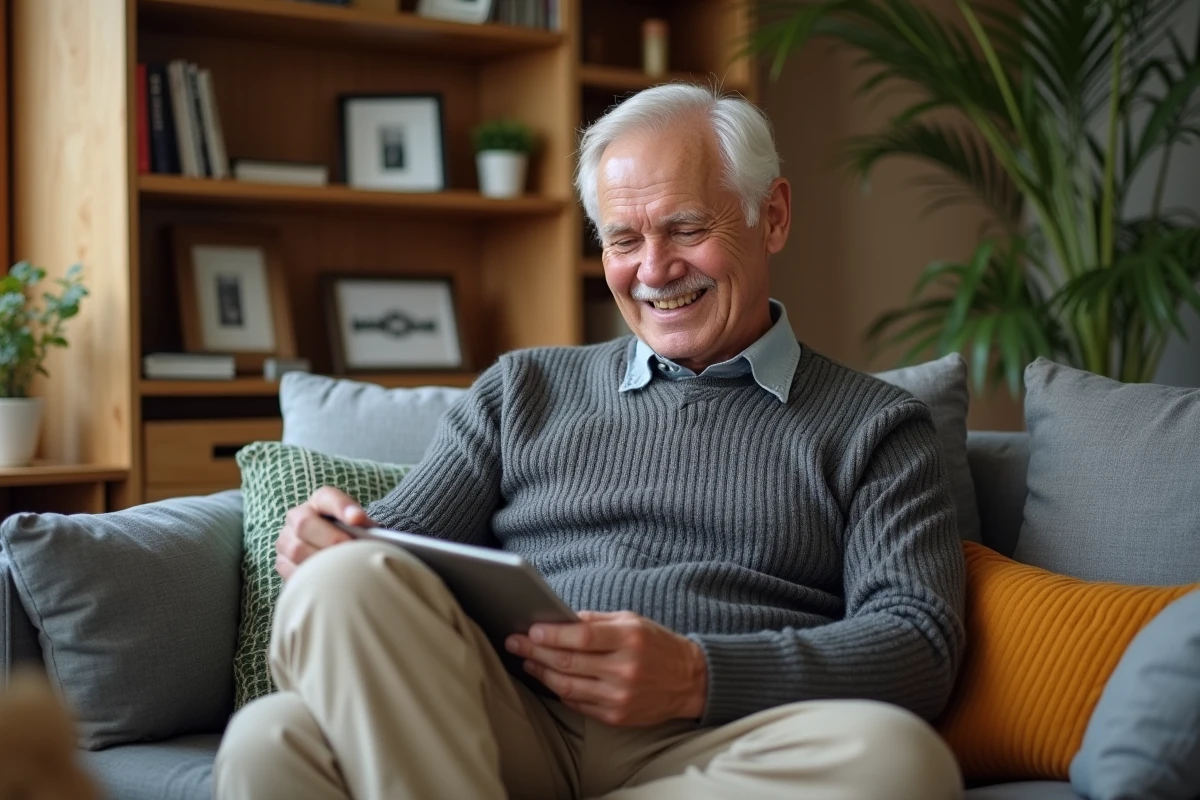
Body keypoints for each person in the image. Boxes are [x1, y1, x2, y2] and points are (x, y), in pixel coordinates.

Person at [214, 84, 967, 800]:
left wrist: (696, 673)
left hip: (715, 741)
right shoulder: (521, 393)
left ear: (771, 216)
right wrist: (328, 539)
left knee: (899, 764)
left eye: (686, 228)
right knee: (321, 627)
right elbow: (391, 561)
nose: (654, 270)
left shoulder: (878, 426)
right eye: (623, 239)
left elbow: (918, 643)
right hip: (500, 723)